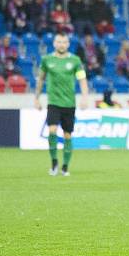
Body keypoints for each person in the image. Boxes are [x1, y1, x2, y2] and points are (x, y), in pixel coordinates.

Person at [34, 32, 90, 177]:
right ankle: (54, 163)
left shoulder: (76, 60)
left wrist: (85, 97)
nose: (61, 44)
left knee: (67, 136)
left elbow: (82, 80)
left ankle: (65, 166)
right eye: (59, 42)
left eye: (64, 42)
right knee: (52, 131)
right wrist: (36, 98)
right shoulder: (47, 60)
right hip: (53, 103)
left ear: (68, 44)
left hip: (69, 104)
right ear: (54, 43)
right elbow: (41, 79)